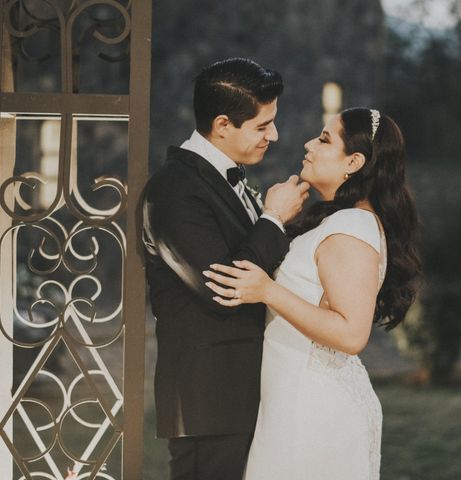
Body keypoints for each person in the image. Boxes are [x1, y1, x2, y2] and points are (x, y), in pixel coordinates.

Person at [204, 107, 420, 479]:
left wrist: (267, 290)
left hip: (314, 413)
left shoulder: (353, 225)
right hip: (294, 403)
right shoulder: (338, 220)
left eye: (323, 139)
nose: (308, 144)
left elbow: (352, 333)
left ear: (353, 161)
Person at [142, 58, 309, 480]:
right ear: (221, 125)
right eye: (262, 125)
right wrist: (272, 219)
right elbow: (226, 290)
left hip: (242, 395)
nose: (274, 135)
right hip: (209, 401)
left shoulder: (221, 180)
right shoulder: (175, 189)